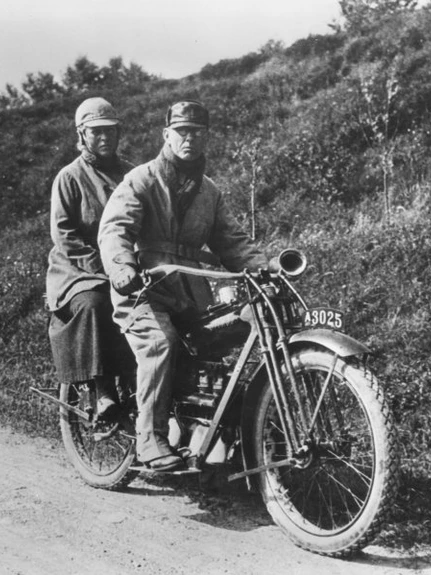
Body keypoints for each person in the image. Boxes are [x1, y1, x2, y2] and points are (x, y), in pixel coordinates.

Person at [98, 100, 268, 471]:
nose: (189, 138)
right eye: (182, 131)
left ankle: (214, 436)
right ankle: (149, 438)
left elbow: (232, 241)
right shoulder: (141, 179)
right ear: (167, 135)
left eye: (198, 132)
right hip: (144, 289)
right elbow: (115, 229)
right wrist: (122, 267)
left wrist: (262, 269)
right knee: (160, 343)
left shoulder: (210, 191)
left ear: (207, 138)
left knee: (220, 345)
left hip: (191, 292)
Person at [45, 97, 135, 418]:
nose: (104, 138)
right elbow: (65, 236)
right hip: (78, 271)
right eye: (96, 132)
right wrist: (107, 269)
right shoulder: (69, 178)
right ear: (82, 135)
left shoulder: (133, 175)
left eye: (110, 131)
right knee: (95, 304)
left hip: (126, 266)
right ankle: (102, 389)